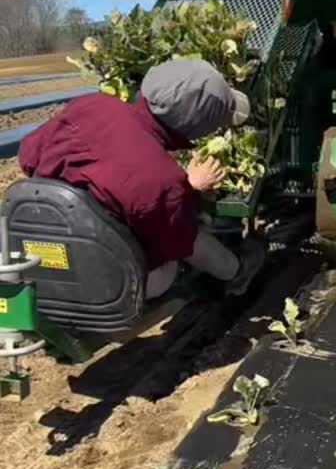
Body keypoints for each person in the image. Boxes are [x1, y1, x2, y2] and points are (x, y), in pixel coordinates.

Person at [18, 58, 265, 299]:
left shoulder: (93, 104)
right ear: (196, 126)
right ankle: (237, 270)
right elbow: (177, 243)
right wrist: (189, 188)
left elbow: (28, 156)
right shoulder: (162, 179)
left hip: (37, 254)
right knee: (185, 238)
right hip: (103, 281)